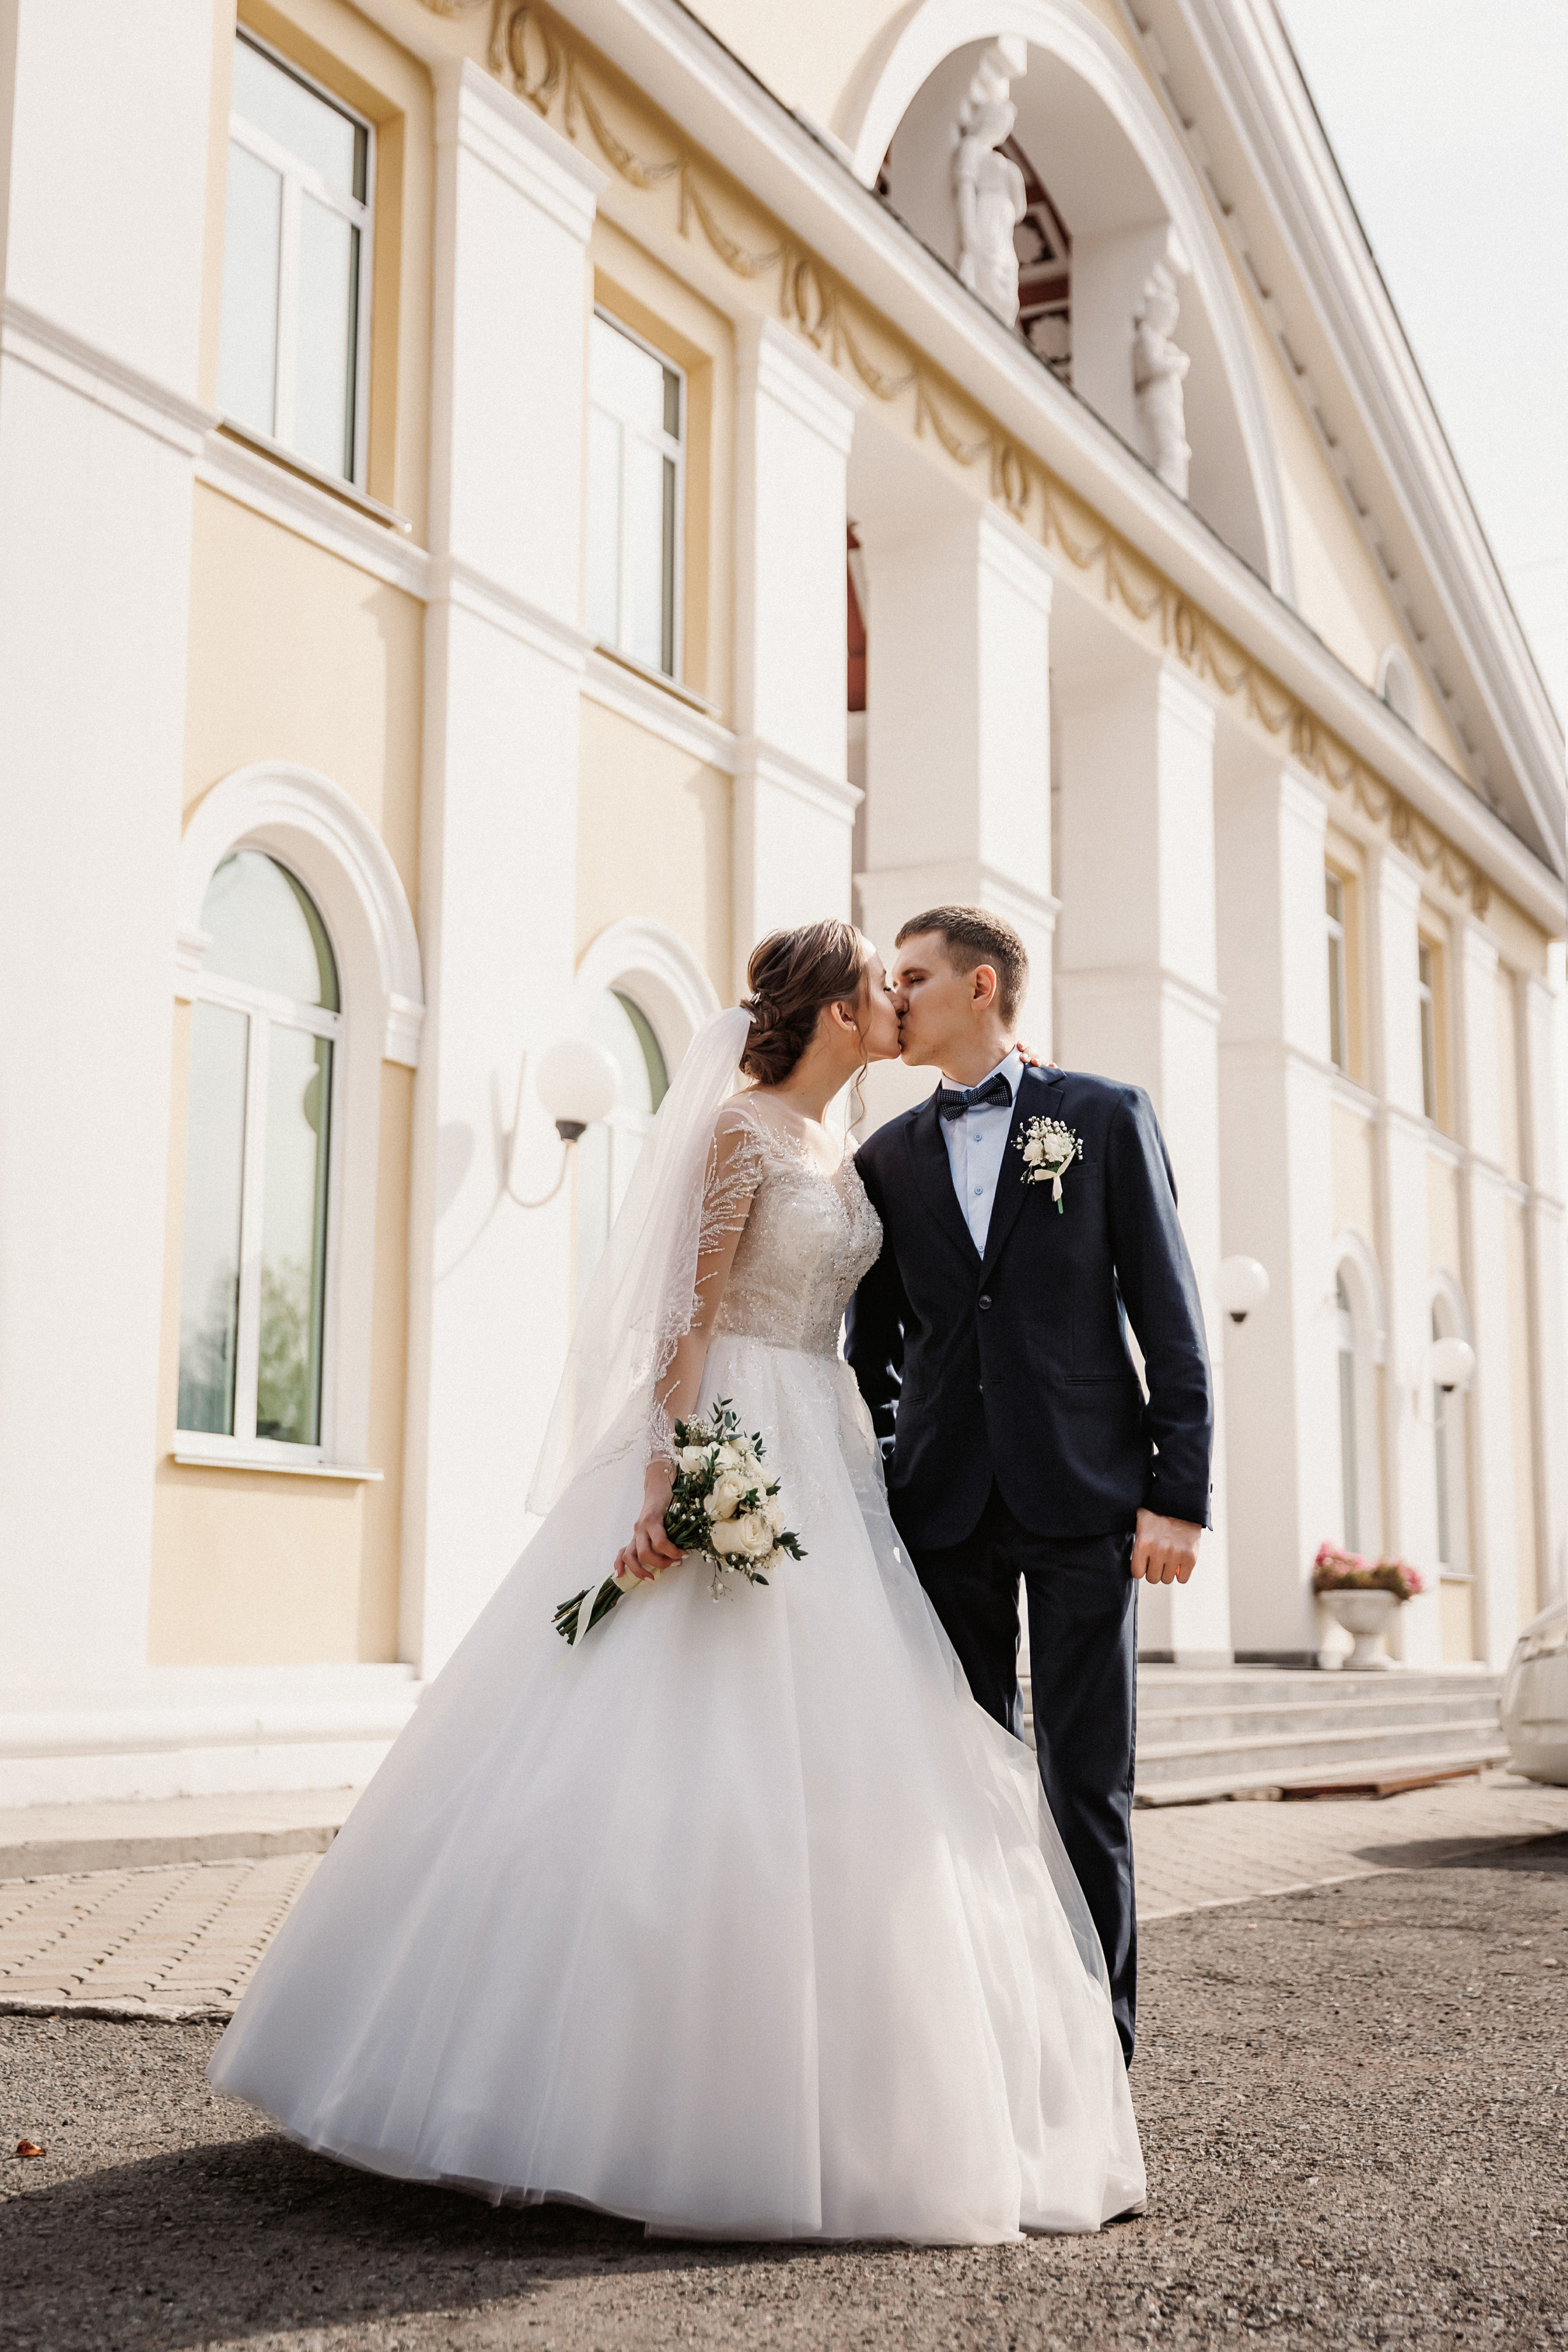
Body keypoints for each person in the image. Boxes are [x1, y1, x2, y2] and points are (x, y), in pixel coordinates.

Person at [208, 919, 1143, 2243]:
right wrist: (670, 1481)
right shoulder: (741, 1131)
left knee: (851, 1749)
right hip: (734, 1430)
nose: (894, 1002)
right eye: (881, 986)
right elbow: (682, 1312)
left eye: (906, 982)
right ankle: (587, 2087)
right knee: (676, 1730)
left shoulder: (849, 1147)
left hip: (828, 1447)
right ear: (831, 1011)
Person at [846, 907, 1213, 2068]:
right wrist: (897, 1457)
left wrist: (1177, 1492)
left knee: (1085, 1782)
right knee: (960, 1774)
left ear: (982, 986)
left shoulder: (1101, 1118)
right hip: (944, 1509)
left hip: (1086, 1502)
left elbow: (1172, 1317)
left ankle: (1096, 2061)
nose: (893, 998)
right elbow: (875, 1349)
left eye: (912, 978)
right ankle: (981, 2044)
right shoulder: (885, 1157)